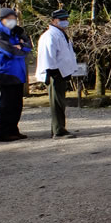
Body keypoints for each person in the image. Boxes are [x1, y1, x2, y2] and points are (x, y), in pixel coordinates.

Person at [35, 8, 78, 139]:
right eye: (61, 19)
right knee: (56, 102)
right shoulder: (50, 35)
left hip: (61, 71)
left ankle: (59, 127)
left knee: (59, 102)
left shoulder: (60, 33)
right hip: (54, 72)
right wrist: (51, 72)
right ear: (53, 21)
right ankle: (58, 130)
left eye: (66, 19)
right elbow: (48, 56)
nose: (65, 22)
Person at [0, 8, 32, 142]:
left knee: (17, 105)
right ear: (2, 19)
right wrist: (18, 47)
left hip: (18, 73)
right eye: (9, 18)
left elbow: (28, 47)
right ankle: (4, 133)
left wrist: (21, 46)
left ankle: (13, 130)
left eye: (13, 18)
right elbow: (10, 52)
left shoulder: (17, 31)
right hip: (5, 73)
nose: (12, 21)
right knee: (6, 105)